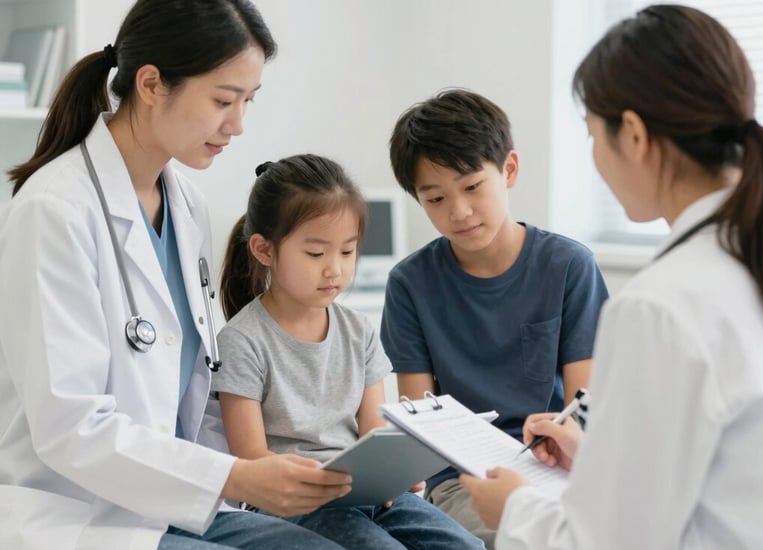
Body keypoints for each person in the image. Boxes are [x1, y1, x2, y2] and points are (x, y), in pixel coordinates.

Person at [0, 2, 354, 549]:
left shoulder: (185, 204)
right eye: (223, 100)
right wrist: (236, 478)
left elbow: (196, 387)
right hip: (80, 516)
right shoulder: (55, 211)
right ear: (151, 84)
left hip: (178, 505)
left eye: (248, 101)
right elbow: (70, 426)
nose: (237, 125)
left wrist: (262, 473)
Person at [459, 5, 763, 549]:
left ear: (633, 134)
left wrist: (514, 509)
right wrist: (601, 460)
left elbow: (611, 542)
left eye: (593, 135)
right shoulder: (741, 260)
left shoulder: (660, 305)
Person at [211, 154, 486, 550]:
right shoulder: (242, 340)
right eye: (316, 254)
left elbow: (373, 430)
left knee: (467, 546)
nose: (334, 270)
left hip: (366, 490)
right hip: (292, 501)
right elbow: (250, 456)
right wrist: (318, 481)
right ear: (264, 250)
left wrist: (393, 471)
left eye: (347, 252)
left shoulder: (358, 330)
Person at [381, 88, 609, 546]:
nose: (459, 212)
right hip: (463, 480)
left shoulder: (568, 266)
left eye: (472, 187)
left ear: (509, 169)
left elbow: (585, 411)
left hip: (555, 465)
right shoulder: (410, 284)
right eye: (435, 199)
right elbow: (422, 421)